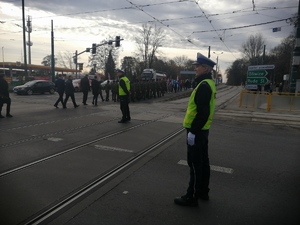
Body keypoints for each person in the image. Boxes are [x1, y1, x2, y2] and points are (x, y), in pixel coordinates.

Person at [174, 52, 216, 207]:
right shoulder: (207, 84)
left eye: (197, 66)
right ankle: (203, 191)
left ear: (205, 68)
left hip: (197, 131)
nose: (195, 69)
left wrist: (193, 131)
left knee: (195, 165)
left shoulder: (203, 86)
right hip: (202, 131)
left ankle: (192, 196)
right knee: (203, 163)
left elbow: (202, 113)